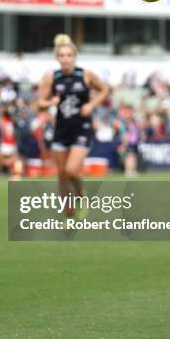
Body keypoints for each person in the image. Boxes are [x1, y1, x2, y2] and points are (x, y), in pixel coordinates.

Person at [38, 34, 109, 216]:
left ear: (74, 57)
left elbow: (104, 89)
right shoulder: (52, 78)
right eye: (62, 56)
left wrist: (92, 104)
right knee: (62, 174)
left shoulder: (85, 75)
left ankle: (80, 193)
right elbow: (40, 103)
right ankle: (68, 212)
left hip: (82, 128)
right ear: (57, 58)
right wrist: (50, 103)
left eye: (69, 55)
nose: (66, 59)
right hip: (61, 129)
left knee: (71, 170)